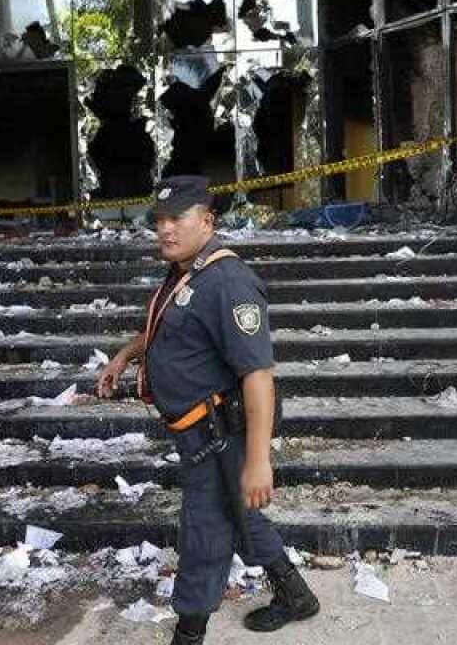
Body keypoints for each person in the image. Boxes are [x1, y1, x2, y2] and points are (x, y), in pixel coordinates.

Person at [96, 175, 320, 645]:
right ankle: (295, 595)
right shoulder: (185, 271)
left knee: (204, 530)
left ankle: (189, 633)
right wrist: (126, 354)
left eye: (176, 218)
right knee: (240, 512)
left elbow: (258, 375)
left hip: (221, 436)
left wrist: (258, 461)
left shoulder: (228, 281)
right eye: (158, 221)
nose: (164, 229)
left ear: (207, 220)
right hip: (199, 432)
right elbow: (168, 326)